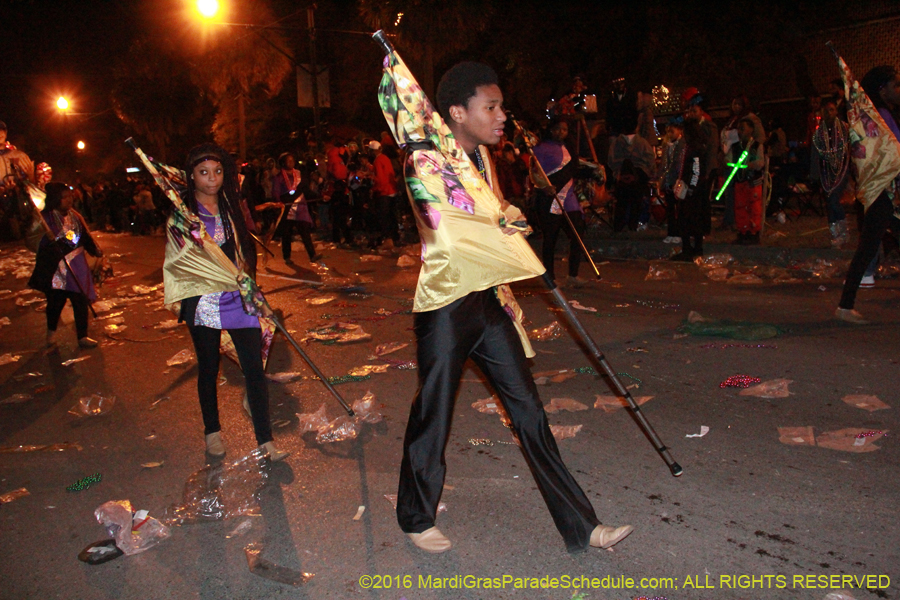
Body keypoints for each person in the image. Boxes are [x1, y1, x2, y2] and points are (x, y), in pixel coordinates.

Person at [395, 61, 633, 554]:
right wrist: (497, 228)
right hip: (446, 305)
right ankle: (417, 518)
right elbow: (447, 230)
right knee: (433, 413)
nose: (502, 115)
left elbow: (494, 210)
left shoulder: (482, 155)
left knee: (529, 413)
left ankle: (581, 526)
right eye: (492, 106)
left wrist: (509, 218)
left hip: (488, 303)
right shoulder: (424, 162)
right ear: (458, 112)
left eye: (500, 105)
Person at [165, 143, 288, 460]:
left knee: (254, 370)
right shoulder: (183, 217)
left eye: (218, 172)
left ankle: (265, 440)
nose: (212, 179)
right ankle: (212, 433)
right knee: (208, 368)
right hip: (203, 301)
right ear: (191, 177)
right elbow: (179, 262)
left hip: (237, 298)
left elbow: (244, 258)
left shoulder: (232, 208)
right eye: (204, 173)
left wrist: (256, 295)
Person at [835, 65, 900, 324]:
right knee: (867, 248)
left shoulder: (883, 115)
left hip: (886, 192)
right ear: (882, 91)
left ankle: (845, 306)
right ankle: (844, 306)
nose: (899, 90)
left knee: (867, 248)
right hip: (884, 192)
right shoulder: (878, 117)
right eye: (896, 85)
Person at [28, 182, 101, 348]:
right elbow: (31, 240)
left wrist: (94, 250)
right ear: (55, 199)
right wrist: (49, 244)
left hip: (77, 266)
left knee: (80, 300)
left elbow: (83, 236)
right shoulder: (44, 219)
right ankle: (51, 333)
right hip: (57, 269)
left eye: (70, 196)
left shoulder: (75, 216)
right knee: (55, 302)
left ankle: (82, 336)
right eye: (65, 197)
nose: (70, 200)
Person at [532, 119, 587, 287]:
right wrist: (544, 187)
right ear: (551, 130)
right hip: (551, 198)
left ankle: (573, 274)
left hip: (569, 198)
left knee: (578, 234)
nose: (561, 132)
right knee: (551, 238)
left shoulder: (568, 147)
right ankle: (550, 276)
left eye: (564, 129)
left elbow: (574, 169)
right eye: (558, 129)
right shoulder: (540, 149)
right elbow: (534, 173)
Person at [718, 96, 765, 230]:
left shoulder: (751, 119)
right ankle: (733, 220)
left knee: (746, 196)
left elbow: (760, 138)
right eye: (734, 104)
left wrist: (751, 151)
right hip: (732, 157)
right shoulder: (731, 121)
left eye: (739, 104)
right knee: (730, 193)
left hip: (745, 161)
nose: (736, 107)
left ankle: (749, 225)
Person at [811, 97, 850, 248]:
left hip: (841, 170)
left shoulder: (844, 129)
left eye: (832, 110)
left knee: (833, 199)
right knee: (829, 202)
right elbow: (815, 154)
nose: (829, 113)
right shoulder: (819, 133)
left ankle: (843, 231)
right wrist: (814, 174)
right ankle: (835, 233)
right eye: (826, 110)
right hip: (826, 172)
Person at [670, 119, 709, 260]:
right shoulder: (690, 147)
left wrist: (691, 188)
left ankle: (693, 249)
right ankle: (691, 249)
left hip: (693, 191)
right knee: (687, 220)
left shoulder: (696, 149)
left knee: (691, 220)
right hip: (691, 189)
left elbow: (696, 171)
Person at [272, 152, 319, 263]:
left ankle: (312, 255)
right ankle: (287, 256)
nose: (291, 162)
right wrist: (278, 203)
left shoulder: (298, 174)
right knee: (287, 233)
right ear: (283, 163)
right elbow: (275, 193)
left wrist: (320, 196)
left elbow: (306, 190)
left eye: (292, 160)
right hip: (287, 207)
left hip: (300, 206)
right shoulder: (279, 177)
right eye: (288, 161)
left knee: (304, 230)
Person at [727, 118, 767, 245]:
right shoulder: (735, 147)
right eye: (739, 129)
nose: (740, 132)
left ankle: (754, 232)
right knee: (740, 206)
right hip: (740, 180)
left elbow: (760, 163)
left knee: (754, 207)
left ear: (751, 130)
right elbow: (727, 159)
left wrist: (750, 164)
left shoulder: (756, 146)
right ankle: (743, 231)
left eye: (742, 128)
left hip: (753, 181)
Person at [368, 140, 400, 248]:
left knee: (384, 217)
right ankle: (395, 237)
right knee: (392, 216)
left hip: (384, 192)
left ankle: (388, 239)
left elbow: (380, 179)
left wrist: (374, 187)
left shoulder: (377, 161)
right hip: (392, 190)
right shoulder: (385, 158)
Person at [659, 118, 685, 244]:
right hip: (668, 181)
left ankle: (679, 232)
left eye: (672, 131)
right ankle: (671, 232)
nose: (670, 134)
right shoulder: (667, 146)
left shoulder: (682, 145)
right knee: (670, 208)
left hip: (678, 180)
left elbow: (679, 164)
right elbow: (664, 164)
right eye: (668, 132)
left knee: (679, 208)